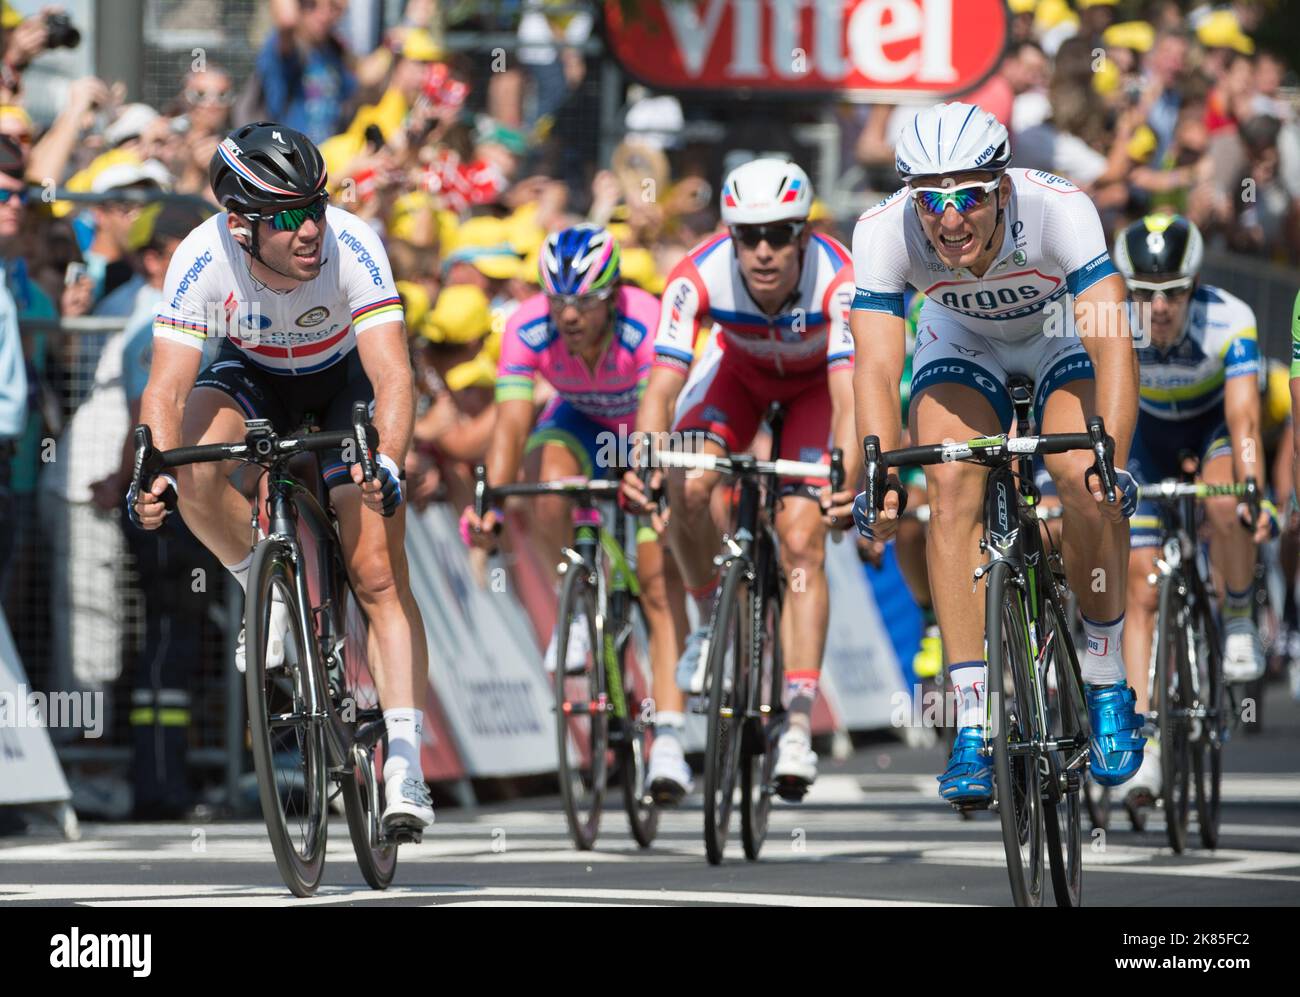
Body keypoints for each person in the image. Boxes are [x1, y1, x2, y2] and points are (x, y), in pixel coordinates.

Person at [129, 122, 433, 836]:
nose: (310, 229)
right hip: (256, 377)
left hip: (342, 382)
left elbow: (393, 374)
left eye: (317, 206)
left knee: (378, 574)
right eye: (289, 216)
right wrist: (153, 472)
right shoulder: (201, 257)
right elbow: (165, 390)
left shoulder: (353, 244)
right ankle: (259, 585)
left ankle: (406, 760)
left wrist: (384, 460)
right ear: (240, 227)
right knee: (193, 465)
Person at [850, 103, 1143, 806]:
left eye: (969, 196)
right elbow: (875, 367)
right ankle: (975, 723)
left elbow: (1111, 342)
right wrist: (880, 474)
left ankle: (1106, 683)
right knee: (949, 488)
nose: (950, 220)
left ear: (1002, 189)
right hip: (960, 339)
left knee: (1080, 475)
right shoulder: (881, 231)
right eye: (932, 200)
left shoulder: (1059, 211)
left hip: (1059, 334)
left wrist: (1114, 460)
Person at [624, 159, 861, 799]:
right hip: (738, 378)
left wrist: (844, 480)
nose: (762, 251)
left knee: (802, 535)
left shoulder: (840, 282)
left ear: (803, 235)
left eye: (779, 234)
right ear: (729, 234)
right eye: (747, 235)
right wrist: (645, 458)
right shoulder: (694, 276)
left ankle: (797, 726)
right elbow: (663, 388)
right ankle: (709, 619)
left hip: (815, 390)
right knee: (687, 479)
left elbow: (848, 402)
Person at [1115, 213, 1274, 808]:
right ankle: (1146, 743)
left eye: (1174, 293)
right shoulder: (1109, 321)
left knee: (1228, 499)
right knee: (1141, 586)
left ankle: (1237, 616)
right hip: (1147, 441)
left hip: (1211, 432)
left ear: (1195, 285)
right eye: (1146, 294)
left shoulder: (1230, 318)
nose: (1159, 308)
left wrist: (1252, 481)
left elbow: (1245, 420)